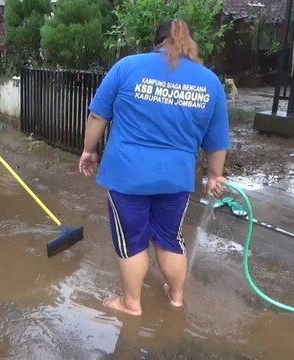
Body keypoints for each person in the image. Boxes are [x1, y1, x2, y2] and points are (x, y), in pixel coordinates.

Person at [78, 19, 230, 316]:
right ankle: (176, 297)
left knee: (133, 241)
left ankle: (131, 304)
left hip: (128, 175)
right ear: (190, 42)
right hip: (176, 179)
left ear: (157, 41)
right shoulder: (210, 81)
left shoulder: (127, 67)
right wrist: (215, 176)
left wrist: (88, 150)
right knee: (169, 237)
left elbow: (98, 116)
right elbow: (217, 139)